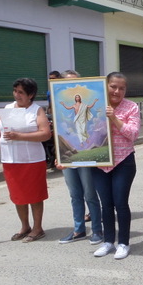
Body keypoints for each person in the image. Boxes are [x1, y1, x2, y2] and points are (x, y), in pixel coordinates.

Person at [0, 78, 51, 243]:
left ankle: (37, 228)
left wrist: (20, 136)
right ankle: (25, 226)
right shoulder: (8, 109)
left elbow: (45, 134)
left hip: (32, 160)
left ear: (30, 95)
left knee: (35, 195)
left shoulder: (36, 110)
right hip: (10, 160)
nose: (17, 95)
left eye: (21, 92)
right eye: (15, 91)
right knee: (18, 195)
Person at [91, 72, 140, 260]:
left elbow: (133, 134)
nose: (117, 91)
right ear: (106, 86)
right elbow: (85, 133)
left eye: (122, 88)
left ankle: (124, 243)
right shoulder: (95, 105)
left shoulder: (131, 107)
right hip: (100, 162)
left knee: (120, 203)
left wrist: (114, 118)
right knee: (106, 204)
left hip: (123, 161)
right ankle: (108, 241)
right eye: (113, 86)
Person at [56, 70, 103, 246]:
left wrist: (97, 102)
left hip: (86, 163)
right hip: (68, 163)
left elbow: (90, 107)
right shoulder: (57, 104)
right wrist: (58, 156)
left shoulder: (84, 104)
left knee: (90, 194)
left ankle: (97, 230)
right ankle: (79, 230)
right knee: (75, 195)